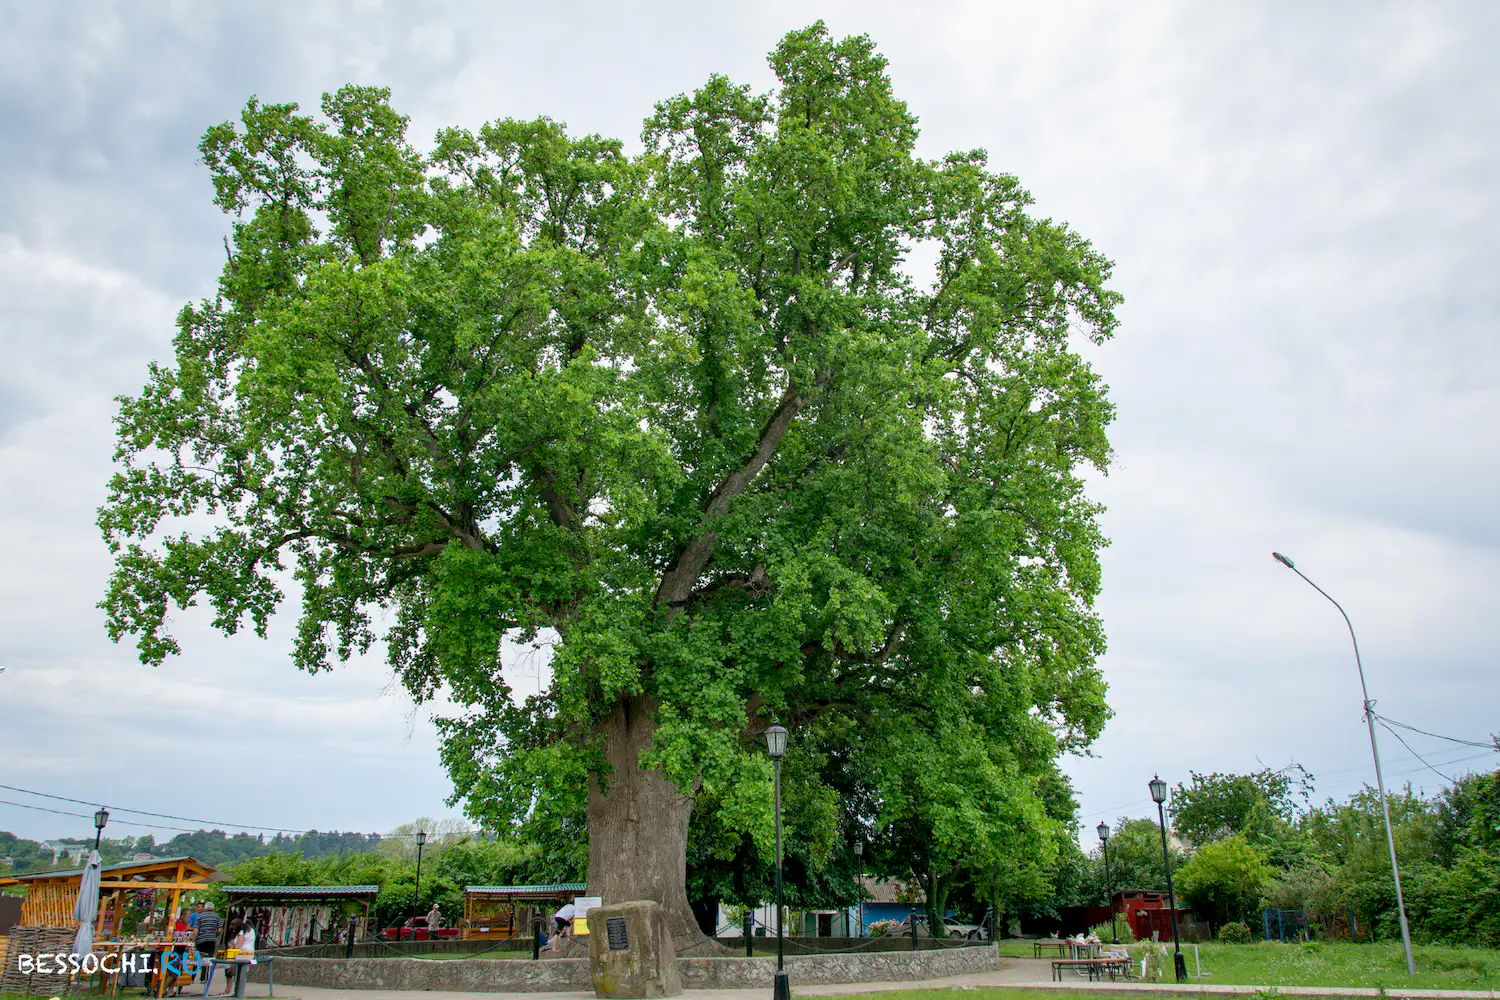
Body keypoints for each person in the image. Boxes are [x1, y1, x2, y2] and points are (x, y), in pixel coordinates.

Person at [194, 902, 220, 984]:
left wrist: (193, 939)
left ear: (205, 908)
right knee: (208, 959)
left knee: (197, 959)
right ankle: (204, 978)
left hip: (201, 940)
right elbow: (219, 930)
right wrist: (214, 935)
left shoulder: (200, 916)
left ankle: (192, 976)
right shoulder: (217, 917)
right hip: (211, 940)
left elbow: (196, 929)